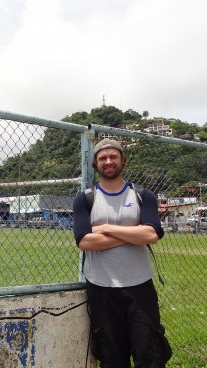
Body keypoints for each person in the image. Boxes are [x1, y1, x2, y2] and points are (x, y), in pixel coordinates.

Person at [72, 138, 171, 367]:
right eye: (102, 158)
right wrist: (132, 234)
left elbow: (152, 235)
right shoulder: (85, 199)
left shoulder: (143, 195)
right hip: (101, 288)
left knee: (150, 355)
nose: (108, 161)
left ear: (122, 160)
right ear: (95, 164)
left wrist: (106, 229)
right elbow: (85, 241)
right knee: (111, 357)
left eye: (113, 156)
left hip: (140, 287)